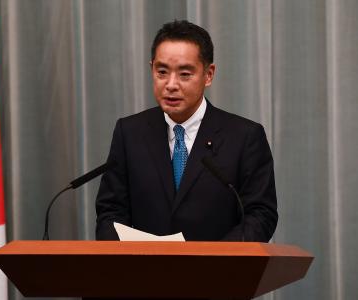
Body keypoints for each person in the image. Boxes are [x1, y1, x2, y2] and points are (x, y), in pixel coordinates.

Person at [95, 20, 277, 242]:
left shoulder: (244, 137)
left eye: (184, 74)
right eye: (162, 72)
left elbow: (260, 215)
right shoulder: (130, 132)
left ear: (208, 74)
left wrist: (215, 260)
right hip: (144, 272)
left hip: (218, 273)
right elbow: (110, 211)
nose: (171, 84)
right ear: (151, 68)